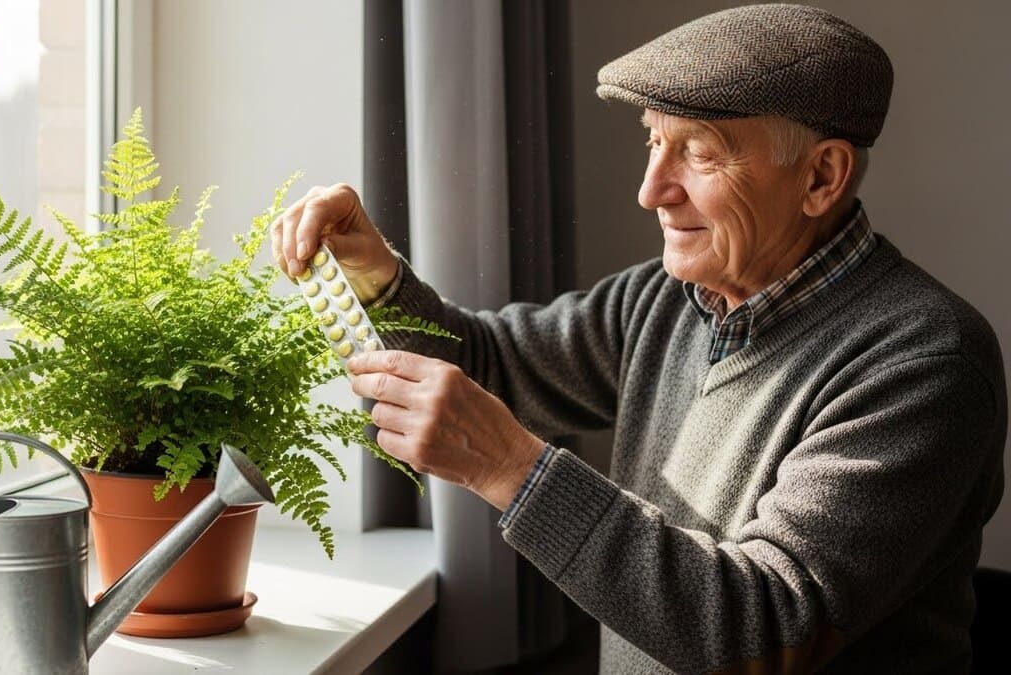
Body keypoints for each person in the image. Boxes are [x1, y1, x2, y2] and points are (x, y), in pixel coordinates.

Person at [270, 4, 1006, 673]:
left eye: (699, 152)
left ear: (821, 177)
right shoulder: (665, 298)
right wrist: (377, 276)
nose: (651, 189)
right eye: (654, 142)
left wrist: (512, 467)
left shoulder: (927, 363)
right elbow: (487, 366)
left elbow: (763, 629)